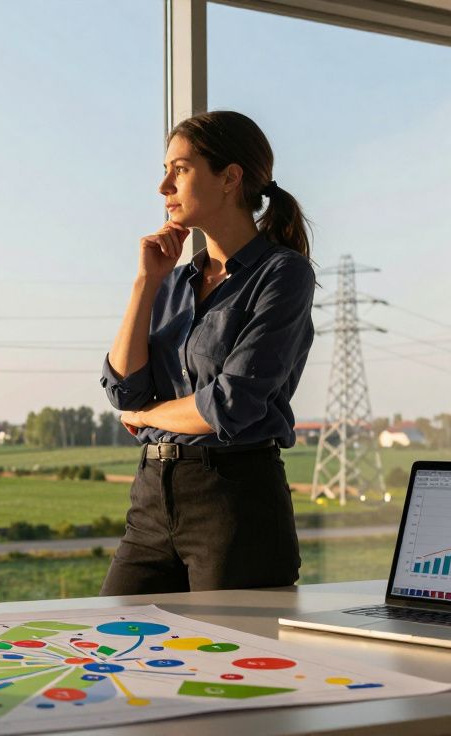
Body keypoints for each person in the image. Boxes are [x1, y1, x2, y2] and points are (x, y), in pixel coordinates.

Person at [99, 110, 316, 595]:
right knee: (114, 649)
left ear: (230, 178)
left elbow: (230, 404)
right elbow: (122, 387)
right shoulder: (173, 282)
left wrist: (146, 412)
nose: (163, 187)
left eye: (179, 169)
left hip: (236, 504)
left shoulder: (283, 274)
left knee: (234, 666)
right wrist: (145, 283)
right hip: (152, 499)